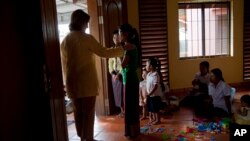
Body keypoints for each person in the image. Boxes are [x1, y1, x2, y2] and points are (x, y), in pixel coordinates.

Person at [60, 9, 124, 141]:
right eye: (86, 23)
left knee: (78, 112)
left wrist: (65, 83)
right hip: (87, 83)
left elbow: (63, 65)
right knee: (88, 113)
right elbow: (104, 52)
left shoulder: (65, 40)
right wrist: (122, 50)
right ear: (81, 22)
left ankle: (82, 136)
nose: (87, 26)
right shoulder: (86, 38)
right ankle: (88, 138)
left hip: (72, 82)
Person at [119, 23, 140, 139]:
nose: (118, 35)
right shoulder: (130, 45)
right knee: (131, 106)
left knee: (129, 106)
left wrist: (118, 54)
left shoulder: (128, 47)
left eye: (119, 32)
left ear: (125, 34)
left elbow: (122, 65)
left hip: (130, 80)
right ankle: (133, 131)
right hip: (131, 79)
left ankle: (132, 132)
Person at [108, 30, 124, 117]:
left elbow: (124, 63)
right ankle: (121, 111)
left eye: (117, 37)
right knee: (117, 93)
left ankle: (124, 111)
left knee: (123, 93)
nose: (115, 39)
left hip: (121, 74)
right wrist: (112, 72)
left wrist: (120, 74)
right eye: (114, 37)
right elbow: (110, 63)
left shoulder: (123, 48)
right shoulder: (112, 50)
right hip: (114, 74)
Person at [146, 58, 163, 125]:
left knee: (156, 108)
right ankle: (154, 119)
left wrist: (150, 93)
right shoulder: (149, 74)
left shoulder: (156, 75)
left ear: (151, 66)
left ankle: (158, 120)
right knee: (152, 108)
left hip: (155, 95)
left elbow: (155, 86)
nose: (145, 66)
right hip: (150, 95)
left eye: (146, 65)